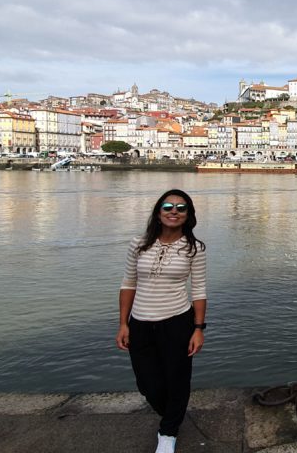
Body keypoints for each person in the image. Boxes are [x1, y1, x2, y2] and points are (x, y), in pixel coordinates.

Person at [117, 189, 207, 453]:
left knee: (177, 378)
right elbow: (128, 284)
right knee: (148, 384)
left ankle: (168, 432)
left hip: (177, 321)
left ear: (188, 215)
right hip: (140, 323)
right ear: (158, 212)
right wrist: (123, 323)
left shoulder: (194, 248)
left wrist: (199, 329)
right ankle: (172, 414)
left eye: (181, 208)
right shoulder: (139, 244)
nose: (174, 211)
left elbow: (199, 291)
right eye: (168, 206)